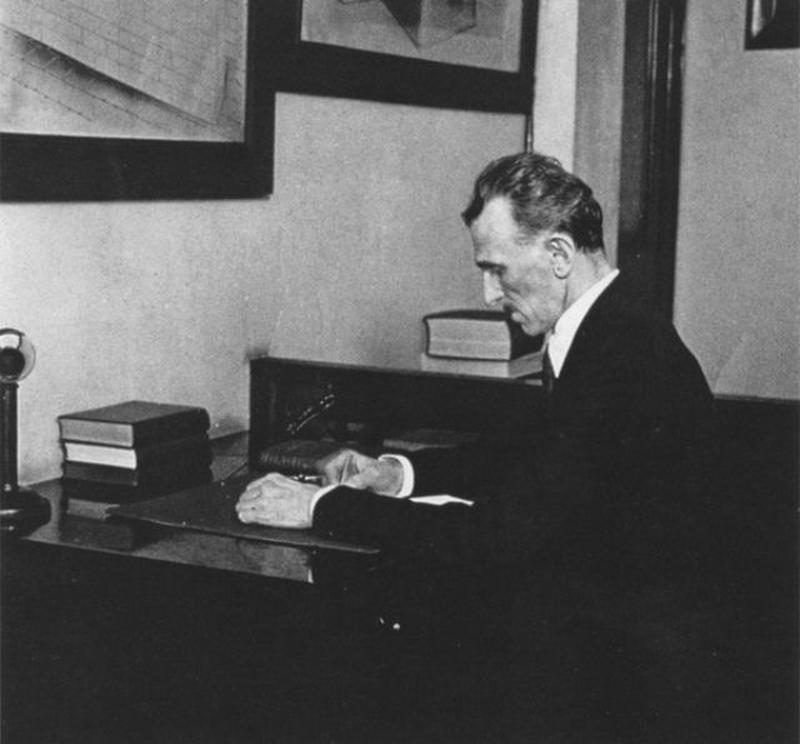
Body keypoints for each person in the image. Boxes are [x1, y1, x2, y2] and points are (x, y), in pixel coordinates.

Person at [236, 152, 726, 741]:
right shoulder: (609, 330)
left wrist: (320, 507)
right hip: (607, 639)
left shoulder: (623, 362)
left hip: (622, 678)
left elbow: (501, 538)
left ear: (560, 254)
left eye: (497, 269)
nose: (489, 294)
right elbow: (529, 459)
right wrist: (395, 475)